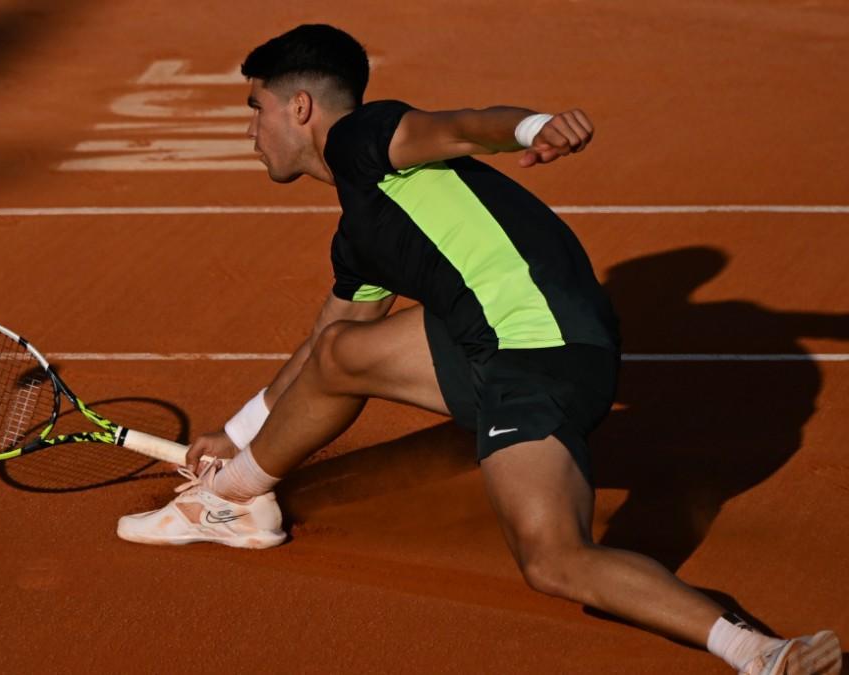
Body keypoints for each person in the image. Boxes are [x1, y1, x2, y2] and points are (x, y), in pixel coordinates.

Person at [116, 24, 841, 675]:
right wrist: (238, 433)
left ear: (300, 107)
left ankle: (761, 653)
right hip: (495, 348)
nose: (251, 129)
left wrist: (532, 128)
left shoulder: (363, 135)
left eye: (256, 108)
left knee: (554, 560)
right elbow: (320, 353)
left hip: (539, 350)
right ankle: (240, 500)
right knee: (340, 352)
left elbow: (461, 125)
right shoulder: (363, 228)